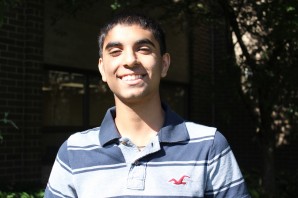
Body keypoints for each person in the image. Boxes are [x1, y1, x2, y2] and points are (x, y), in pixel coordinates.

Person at [45, 12, 250, 198]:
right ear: (102, 68)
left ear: (165, 64)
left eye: (143, 49)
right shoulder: (73, 151)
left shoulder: (209, 145)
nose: (130, 60)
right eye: (115, 51)